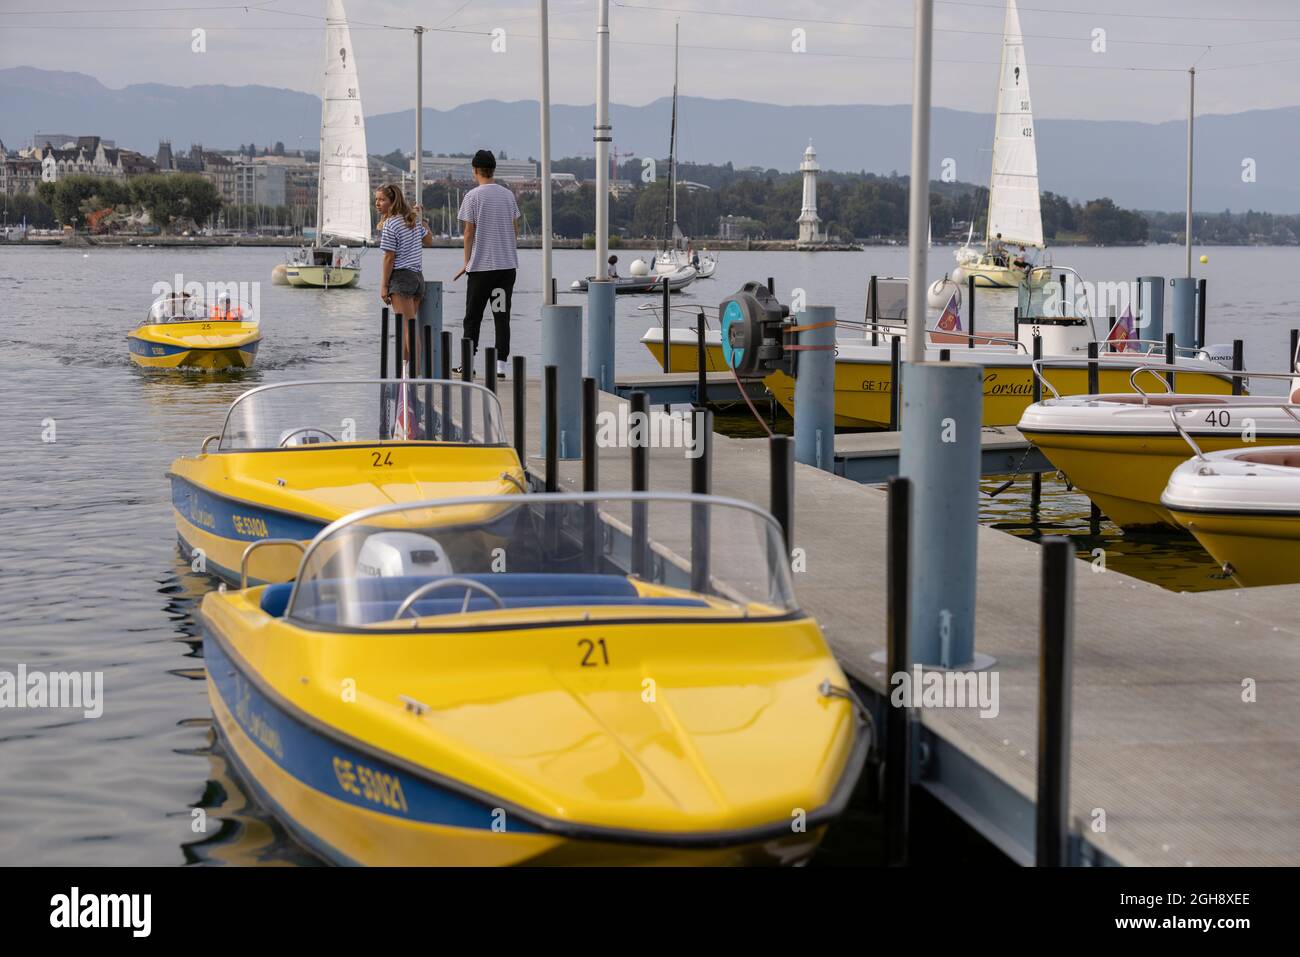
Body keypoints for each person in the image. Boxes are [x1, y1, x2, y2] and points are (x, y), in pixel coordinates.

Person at [453, 150, 519, 379]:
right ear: (493, 170)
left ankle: (468, 363)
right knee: (502, 316)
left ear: (475, 170)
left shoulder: (472, 196)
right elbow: (514, 229)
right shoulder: (508, 195)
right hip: (506, 268)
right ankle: (501, 365)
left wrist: (466, 262)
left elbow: (469, 232)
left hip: (481, 269)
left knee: (473, 316)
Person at [375, 183, 434, 364]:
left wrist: (384, 285)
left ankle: (413, 376)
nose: (377, 203)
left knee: (409, 329)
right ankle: (405, 371)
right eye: (376, 199)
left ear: (392, 202)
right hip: (417, 278)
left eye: (382, 200)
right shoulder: (411, 220)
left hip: (401, 278)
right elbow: (429, 241)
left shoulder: (391, 224)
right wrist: (422, 219)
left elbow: (389, 257)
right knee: (406, 329)